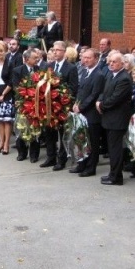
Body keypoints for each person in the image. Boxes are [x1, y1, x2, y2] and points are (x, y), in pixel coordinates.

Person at [41, 41, 79, 169]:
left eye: (58, 50)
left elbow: (73, 87)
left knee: (62, 133)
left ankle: (61, 159)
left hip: (62, 106)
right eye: (53, 50)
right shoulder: (49, 65)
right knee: (49, 131)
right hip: (49, 105)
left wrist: (62, 97)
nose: (55, 52)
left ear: (64, 52)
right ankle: (50, 157)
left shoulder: (71, 67)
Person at [97, 50, 133, 185]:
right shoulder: (112, 75)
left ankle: (116, 177)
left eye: (114, 62)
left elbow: (115, 99)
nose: (111, 64)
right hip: (109, 117)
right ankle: (112, 173)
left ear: (122, 63)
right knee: (112, 148)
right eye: (110, 62)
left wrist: (101, 106)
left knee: (115, 149)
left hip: (117, 118)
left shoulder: (124, 78)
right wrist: (99, 101)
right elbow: (104, 92)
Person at [69, 49, 106, 177]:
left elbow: (94, 94)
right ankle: (82, 164)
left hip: (92, 114)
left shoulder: (99, 75)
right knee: (82, 140)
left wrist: (82, 107)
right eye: (84, 58)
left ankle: (91, 167)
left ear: (96, 58)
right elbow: (81, 90)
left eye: (88, 58)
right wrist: (76, 103)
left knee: (92, 142)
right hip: (81, 112)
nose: (85, 60)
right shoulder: (85, 72)